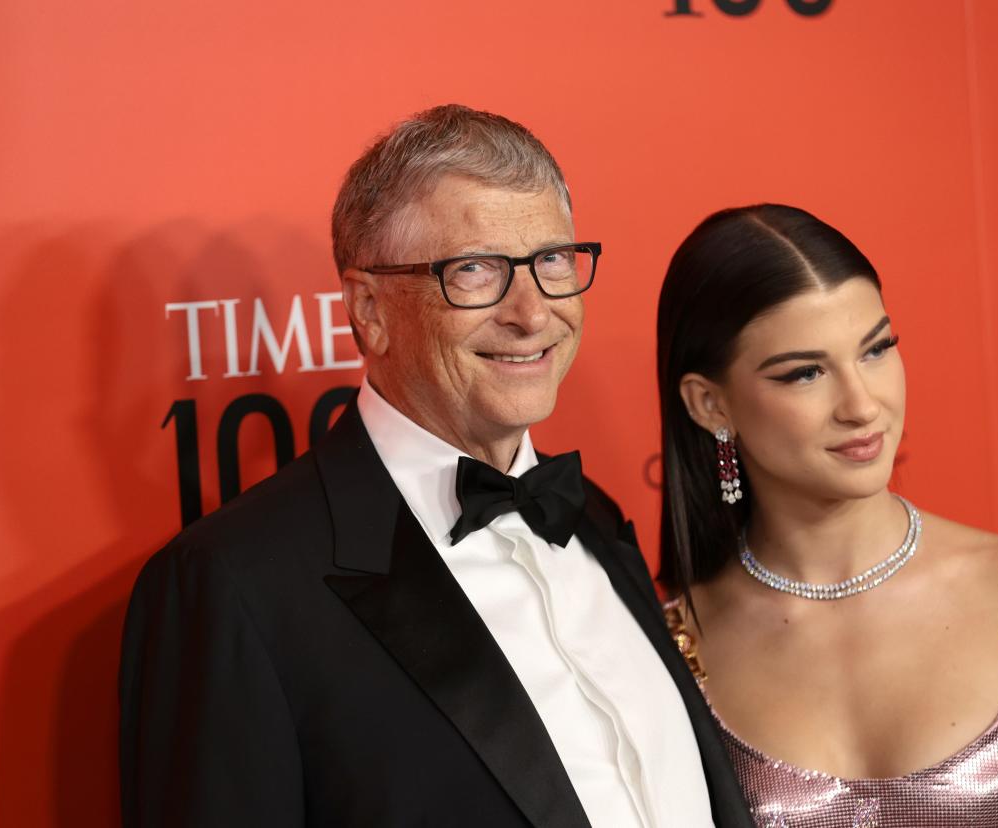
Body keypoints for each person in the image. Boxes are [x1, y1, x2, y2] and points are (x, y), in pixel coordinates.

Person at [119, 105, 752, 828]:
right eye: (476, 270)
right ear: (369, 309)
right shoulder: (236, 586)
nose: (533, 312)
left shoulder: (597, 518)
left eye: (551, 260)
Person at [655, 204, 998, 826]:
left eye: (877, 349)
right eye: (805, 373)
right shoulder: (674, 646)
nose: (862, 404)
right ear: (709, 404)